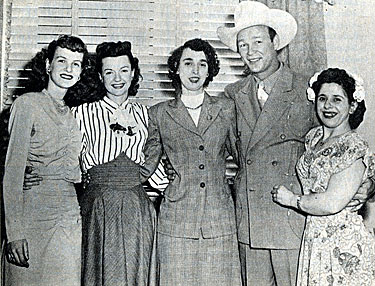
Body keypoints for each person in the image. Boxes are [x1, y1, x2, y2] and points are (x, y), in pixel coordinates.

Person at [216, 2, 374, 286]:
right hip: (249, 220)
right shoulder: (232, 95)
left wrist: (368, 184)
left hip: (294, 220)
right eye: (242, 45)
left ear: (275, 42)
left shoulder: (308, 92)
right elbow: (217, 148)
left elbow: (342, 145)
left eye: (258, 42)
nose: (250, 52)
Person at [141, 38, 242, 286]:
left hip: (219, 219)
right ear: (176, 68)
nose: (195, 71)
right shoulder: (159, 113)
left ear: (210, 71)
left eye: (202, 64)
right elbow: (146, 162)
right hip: (176, 221)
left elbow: (242, 157)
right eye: (188, 63)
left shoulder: (227, 109)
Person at [72, 41, 166, 286]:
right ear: (100, 77)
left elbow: (155, 169)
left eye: (124, 70)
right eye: (109, 72)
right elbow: (65, 158)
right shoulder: (81, 113)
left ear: (133, 73)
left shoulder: (146, 114)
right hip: (98, 206)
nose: (117, 78)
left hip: (138, 209)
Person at [272, 68, 375, 285]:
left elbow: (331, 203)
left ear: (352, 106)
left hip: (342, 244)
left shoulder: (353, 146)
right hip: (316, 238)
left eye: (337, 99)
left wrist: (292, 200)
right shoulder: (314, 137)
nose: (328, 106)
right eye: (322, 99)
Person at [3, 35, 88, 286]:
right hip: (33, 212)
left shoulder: (75, 113)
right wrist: (14, 233)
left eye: (76, 64)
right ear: (48, 65)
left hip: (69, 213)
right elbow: (13, 171)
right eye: (62, 61)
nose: (68, 69)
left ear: (82, 72)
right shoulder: (27, 104)